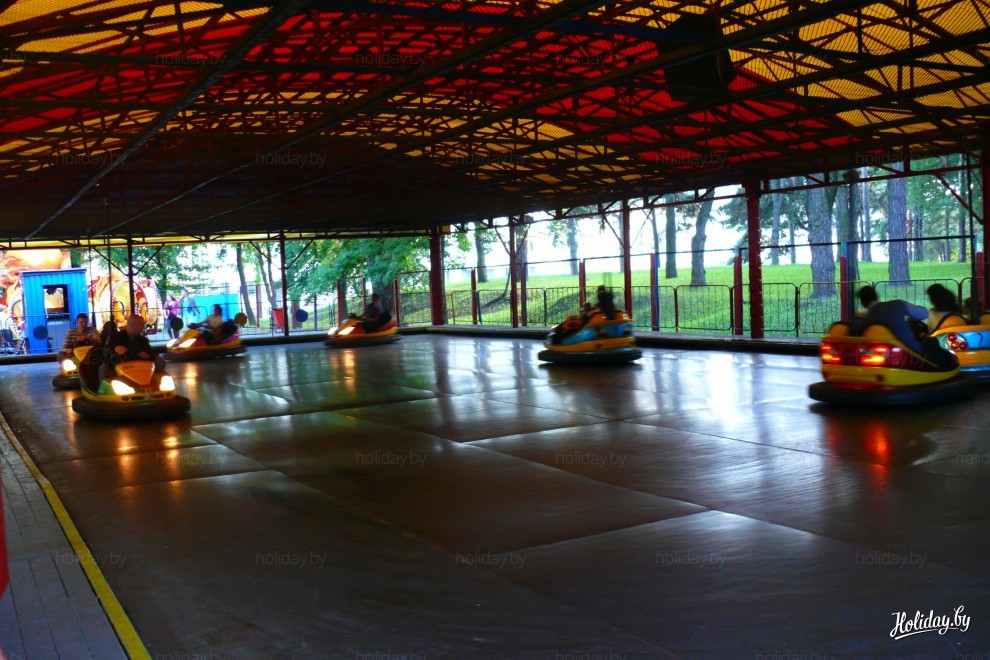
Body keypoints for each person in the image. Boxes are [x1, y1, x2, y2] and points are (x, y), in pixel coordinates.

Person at [858, 285, 953, 366]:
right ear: (876, 295)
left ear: (862, 303)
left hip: (883, 358)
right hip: (909, 353)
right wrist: (912, 319)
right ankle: (944, 372)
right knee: (933, 341)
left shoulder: (865, 322)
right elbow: (923, 313)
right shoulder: (897, 305)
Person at [100, 314, 165, 382]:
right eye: (141, 325)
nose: (143, 328)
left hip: (141, 369)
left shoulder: (142, 340)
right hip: (120, 370)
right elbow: (105, 353)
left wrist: (149, 355)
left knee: (159, 361)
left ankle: (159, 383)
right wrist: (115, 349)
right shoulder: (115, 338)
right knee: (104, 368)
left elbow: (152, 352)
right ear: (132, 325)